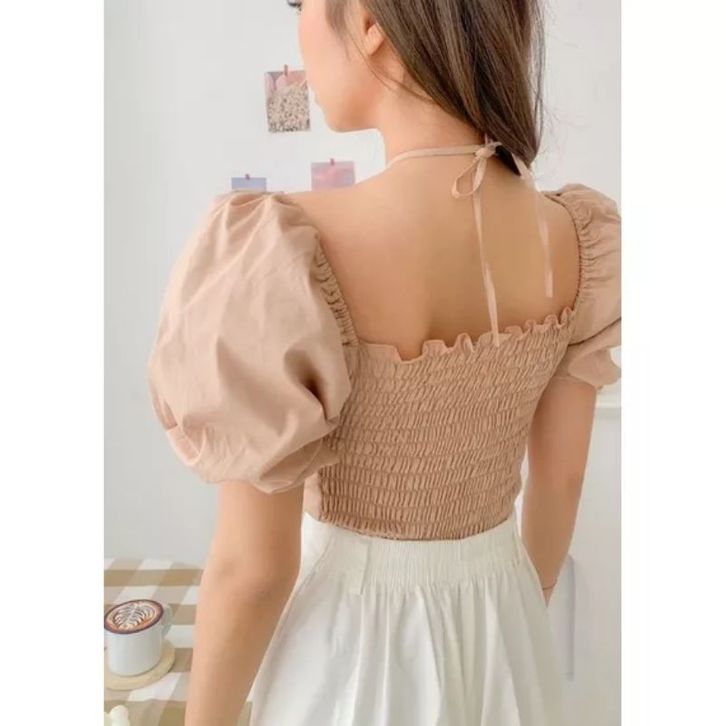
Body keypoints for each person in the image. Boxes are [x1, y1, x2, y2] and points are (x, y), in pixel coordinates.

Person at [146, 0, 621, 724]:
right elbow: (562, 477)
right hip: (504, 616)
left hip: (350, 644)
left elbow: (253, 571)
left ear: (371, 23)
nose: (300, 28)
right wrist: (521, 607)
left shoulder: (278, 252)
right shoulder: (576, 238)